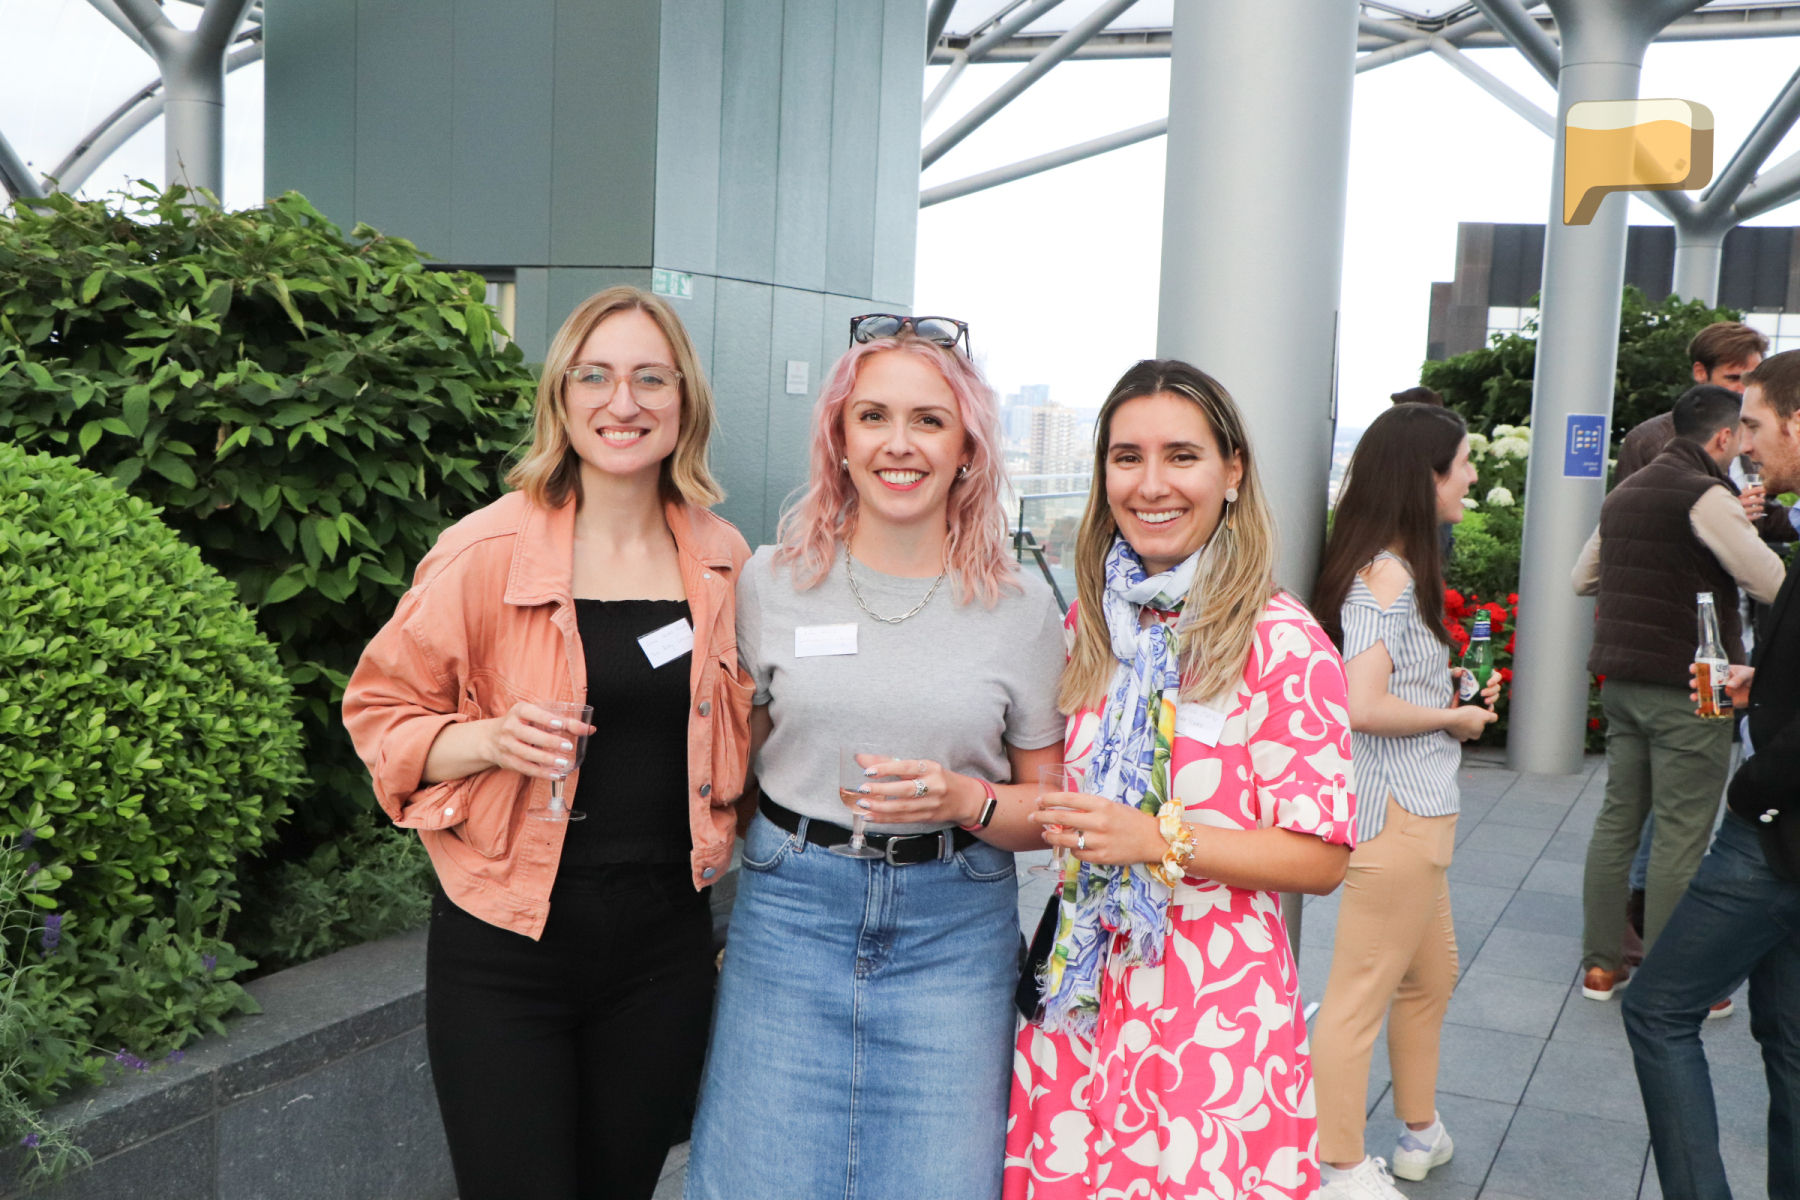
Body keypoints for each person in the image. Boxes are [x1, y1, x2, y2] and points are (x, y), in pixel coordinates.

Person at [341, 286, 754, 1200]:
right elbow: (379, 714)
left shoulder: (723, 558)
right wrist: (489, 738)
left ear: (684, 399)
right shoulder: (483, 551)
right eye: (594, 376)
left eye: (651, 378)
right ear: (560, 397)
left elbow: (757, 734)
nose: (623, 402)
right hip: (507, 947)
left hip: (664, 949)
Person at [682, 316, 1068, 1200]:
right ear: (840, 440)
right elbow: (738, 768)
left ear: (967, 447)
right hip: (792, 915)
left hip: (954, 930)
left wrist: (967, 800)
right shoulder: (769, 582)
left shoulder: (1021, 610)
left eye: (930, 420)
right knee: (759, 1179)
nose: (900, 443)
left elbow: (1048, 811)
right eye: (874, 417)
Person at [1004, 360, 1355, 1200]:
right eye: (1127, 458)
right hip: (1084, 1000)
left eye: (1182, 456)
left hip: (1212, 1015)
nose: (1151, 484)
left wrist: (1156, 839)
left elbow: (1321, 860)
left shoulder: (1281, 641)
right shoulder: (1092, 627)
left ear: (1232, 472)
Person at [1307, 404, 1500, 1200]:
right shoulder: (1387, 577)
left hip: (1412, 814)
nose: (1473, 475)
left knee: (1430, 978)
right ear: (1424, 476)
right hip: (1397, 817)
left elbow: (1383, 683)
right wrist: (1455, 718)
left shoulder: (1387, 568)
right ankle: (1339, 1166)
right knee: (1358, 999)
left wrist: (1443, 688)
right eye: (1463, 461)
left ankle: (1421, 1131)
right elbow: (1361, 703)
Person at [1622, 349, 1800, 1200]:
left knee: (1658, 1009)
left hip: (1774, 827)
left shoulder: (1661, 490)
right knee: (1789, 1040)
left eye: (1757, 425)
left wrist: (1752, 792)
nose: (1747, 445)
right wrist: (1767, 683)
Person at [1571, 384, 1786, 1002]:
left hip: (1622, 683)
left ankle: (1600, 966)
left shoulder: (1624, 493)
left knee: (1618, 822)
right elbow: (1774, 584)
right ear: (1721, 437)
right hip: (1694, 687)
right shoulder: (1707, 496)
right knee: (1681, 832)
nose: (1746, 446)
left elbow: (1583, 578)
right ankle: (1674, 980)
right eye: (1742, 434)